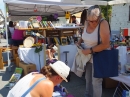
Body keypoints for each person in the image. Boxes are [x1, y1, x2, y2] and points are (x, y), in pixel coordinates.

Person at [76, 5, 110, 97]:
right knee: (88, 79)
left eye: (94, 21)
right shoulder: (87, 22)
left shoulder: (103, 23)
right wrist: (79, 41)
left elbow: (106, 44)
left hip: (99, 56)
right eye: (89, 20)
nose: (91, 23)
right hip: (87, 57)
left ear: (100, 17)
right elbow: (84, 35)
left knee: (96, 82)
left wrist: (90, 50)